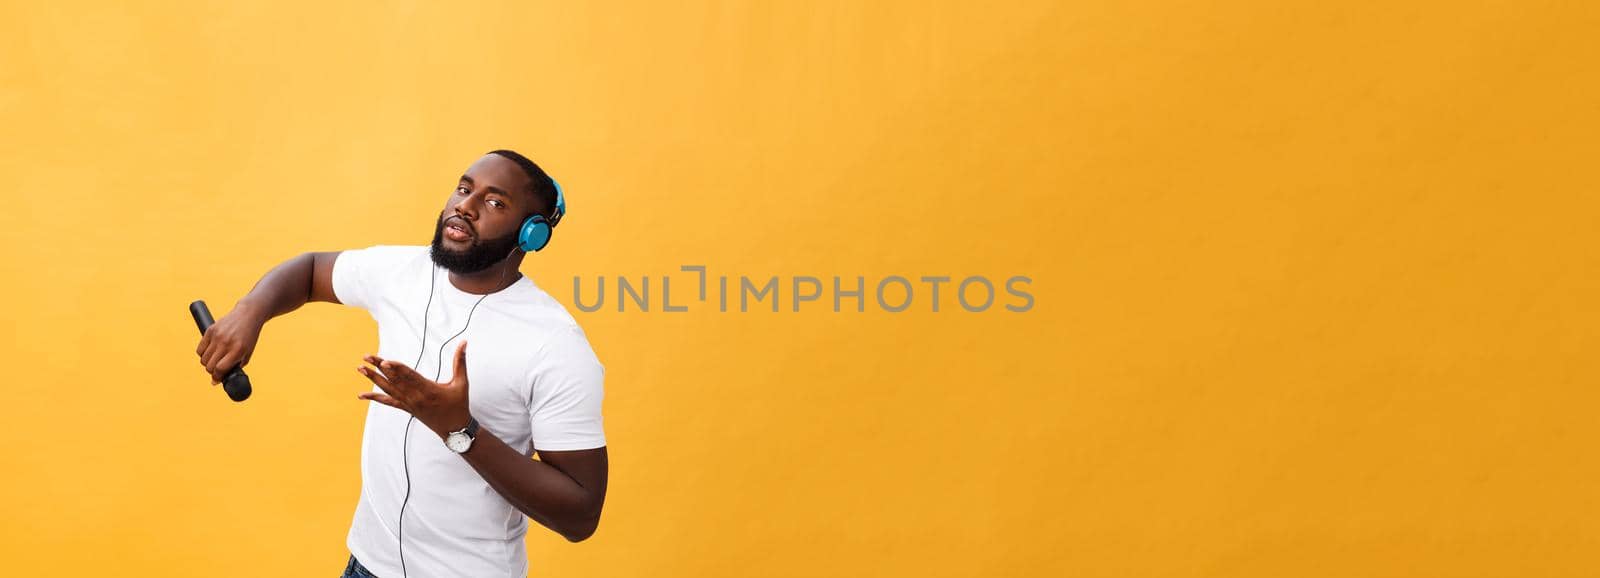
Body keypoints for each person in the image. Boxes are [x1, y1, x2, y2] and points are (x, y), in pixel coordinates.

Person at [193, 150, 608, 577]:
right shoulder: (403, 271)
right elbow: (311, 269)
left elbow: (580, 513)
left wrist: (459, 430)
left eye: (494, 202)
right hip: (366, 565)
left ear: (532, 234)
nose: (465, 206)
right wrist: (250, 312)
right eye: (464, 189)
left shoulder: (555, 344)